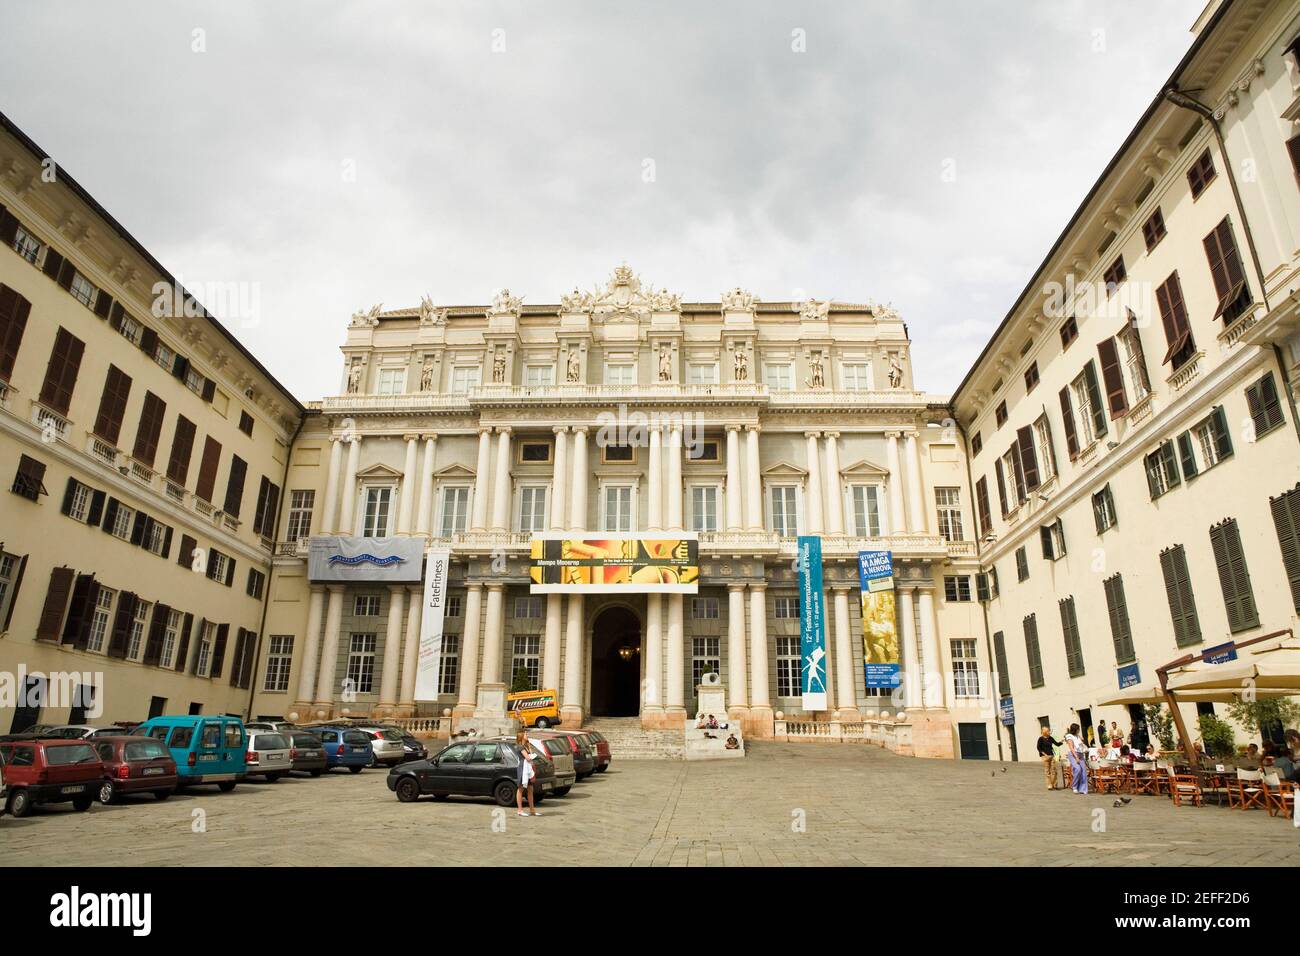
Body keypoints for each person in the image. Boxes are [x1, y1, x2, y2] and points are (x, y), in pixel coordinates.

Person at [514, 731, 540, 817]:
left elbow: (531, 754)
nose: (527, 735)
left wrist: (529, 746)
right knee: (520, 788)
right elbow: (528, 758)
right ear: (521, 736)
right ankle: (520, 810)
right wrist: (532, 756)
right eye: (525, 734)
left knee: (530, 789)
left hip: (528, 769)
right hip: (523, 769)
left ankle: (532, 810)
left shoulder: (526, 746)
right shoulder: (520, 747)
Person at [1064, 724, 1088, 794]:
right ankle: (1074, 786)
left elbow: (1082, 741)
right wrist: (1076, 757)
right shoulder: (1069, 736)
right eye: (1078, 729)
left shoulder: (1077, 736)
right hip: (1073, 754)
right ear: (1075, 729)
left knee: (1083, 771)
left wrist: (1079, 736)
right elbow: (1071, 747)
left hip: (1080, 754)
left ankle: (1083, 789)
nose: (1079, 730)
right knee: (1078, 769)